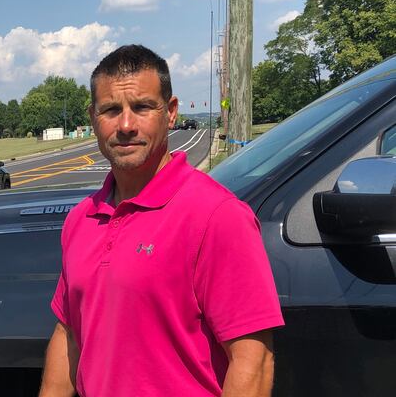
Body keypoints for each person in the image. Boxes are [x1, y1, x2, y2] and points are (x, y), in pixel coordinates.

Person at [39, 44, 284, 397]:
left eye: (141, 107)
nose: (125, 125)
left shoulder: (217, 215)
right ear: (93, 118)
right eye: (111, 110)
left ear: (170, 113)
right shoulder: (81, 219)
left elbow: (253, 360)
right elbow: (69, 334)